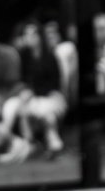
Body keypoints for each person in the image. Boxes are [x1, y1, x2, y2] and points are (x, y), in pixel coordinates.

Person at [14, 19, 67, 155]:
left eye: (33, 34)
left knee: (46, 113)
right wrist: (26, 91)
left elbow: (55, 84)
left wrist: (34, 92)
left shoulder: (50, 56)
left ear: (39, 36)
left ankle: (38, 144)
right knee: (32, 112)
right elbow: (22, 80)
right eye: (27, 34)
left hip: (50, 97)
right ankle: (51, 143)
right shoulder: (24, 56)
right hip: (33, 98)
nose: (29, 38)